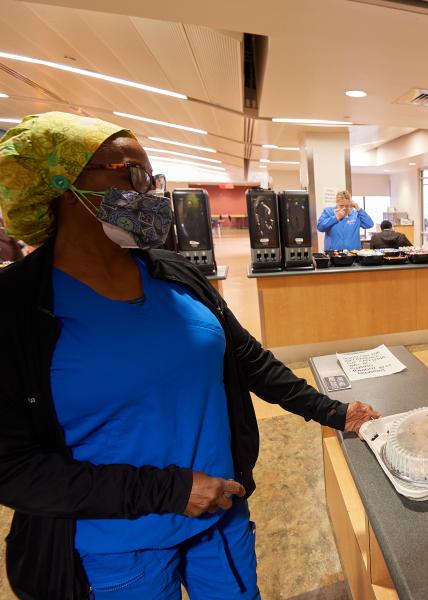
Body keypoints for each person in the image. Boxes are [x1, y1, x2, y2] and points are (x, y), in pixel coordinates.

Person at [0, 112, 381, 599]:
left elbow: (249, 361)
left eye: (152, 178)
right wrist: (172, 491)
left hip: (220, 518)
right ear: (62, 185)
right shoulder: (16, 309)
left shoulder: (174, 275)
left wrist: (332, 409)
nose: (151, 194)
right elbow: (12, 468)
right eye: (133, 175)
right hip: (117, 549)